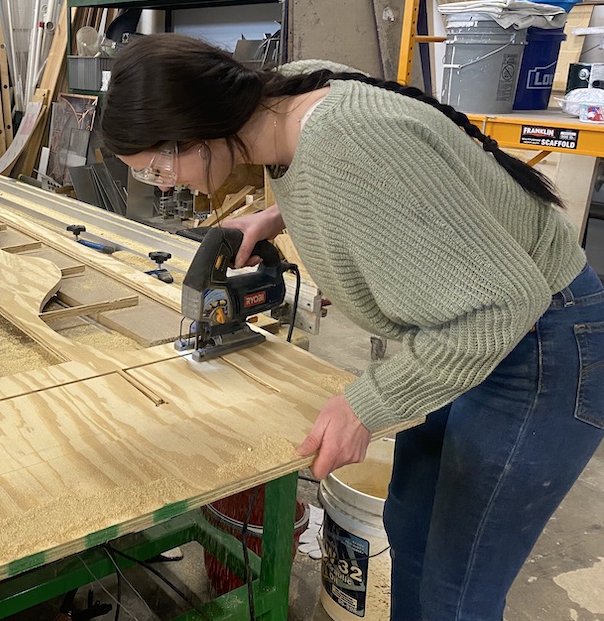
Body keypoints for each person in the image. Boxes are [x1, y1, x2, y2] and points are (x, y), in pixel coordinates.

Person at [100, 32, 604, 620]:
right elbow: (382, 186)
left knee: (457, 592)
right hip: (456, 329)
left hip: (539, 342)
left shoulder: (347, 138)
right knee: (410, 526)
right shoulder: (287, 94)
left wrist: (367, 403)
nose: (162, 183)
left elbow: (500, 305)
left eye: (159, 166)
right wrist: (269, 215)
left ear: (194, 128)